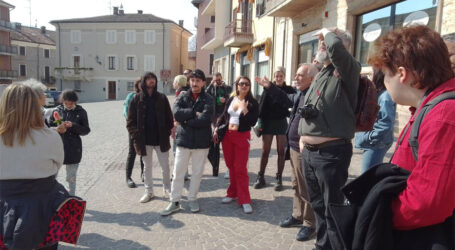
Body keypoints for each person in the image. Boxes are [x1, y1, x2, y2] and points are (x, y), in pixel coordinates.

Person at [369, 25, 455, 246]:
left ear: (401, 74)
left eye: (385, 76)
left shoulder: (443, 115)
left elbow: (427, 203)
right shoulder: (429, 108)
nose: (385, 85)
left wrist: (377, 217)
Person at [0, 84, 85, 250]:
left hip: (4, 208)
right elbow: (56, 166)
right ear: (34, 106)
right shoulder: (50, 136)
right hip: (41, 208)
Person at [299, 27, 360, 250]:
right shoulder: (322, 72)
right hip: (310, 154)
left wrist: (327, 31)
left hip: (332, 153)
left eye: (326, 42)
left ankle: (336, 246)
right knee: (317, 205)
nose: (322, 44)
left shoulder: (348, 68)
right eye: (320, 43)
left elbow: (335, 48)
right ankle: (322, 245)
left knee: (332, 207)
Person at [257, 63, 319, 241]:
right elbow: (286, 99)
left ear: (312, 78)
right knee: (295, 184)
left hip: (303, 148)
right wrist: (269, 87)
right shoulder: (300, 93)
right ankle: (298, 215)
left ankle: (309, 223)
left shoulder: (314, 95)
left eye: (301, 75)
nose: (296, 77)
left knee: (305, 186)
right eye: (296, 74)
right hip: (292, 147)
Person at [160, 69, 214, 216]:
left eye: (198, 80)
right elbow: (176, 113)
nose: (194, 83)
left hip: (201, 143)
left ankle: (192, 199)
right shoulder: (183, 96)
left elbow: (205, 119)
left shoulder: (208, 98)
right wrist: (193, 113)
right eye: (192, 80)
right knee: (178, 172)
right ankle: (175, 201)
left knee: (197, 173)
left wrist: (186, 120)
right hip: (183, 141)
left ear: (203, 82)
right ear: (189, 82)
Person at [213, 76, 259, 214]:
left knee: (240, 168)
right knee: (230, 165)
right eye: (241, 84)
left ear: (249, 86)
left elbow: (252, 122)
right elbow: (223, 115)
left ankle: (245, 199)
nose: (244, 86)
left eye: (246, 84)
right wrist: (216, 127)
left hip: (242, 136)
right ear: (237, 86)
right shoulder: (231, 99)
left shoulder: (253, 103)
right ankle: (232, 193)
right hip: (228, 136)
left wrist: (245, 110)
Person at [127, 72, 174, 203]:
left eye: (153, 78)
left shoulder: (162, 98)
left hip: (161, 140)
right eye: (148, 79)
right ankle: (149, 191)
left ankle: (167, 189)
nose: (151, 81)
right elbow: (130, 121)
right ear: (143, 82)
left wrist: (167, 132)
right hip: (144, 140)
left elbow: (169, 118)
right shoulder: (136, 99)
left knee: (165, 166)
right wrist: (135, 135)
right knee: (147, 168)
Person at [254, 66, 296, 191]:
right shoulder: (268, 88)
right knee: (265, 151)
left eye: (281, 76)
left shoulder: (289, 89)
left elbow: (294, 103)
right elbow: (261, 106)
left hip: (281, 123)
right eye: (276, 76)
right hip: (268, 122)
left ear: (284, 77)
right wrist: (260, 123)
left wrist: (290, 115)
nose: (278, 78)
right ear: (274, 77)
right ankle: (260, 176)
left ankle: (279, 178)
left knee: (281, 151)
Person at [49, 90, 90, 196]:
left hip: (73, 148)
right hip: (57, 148)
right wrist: (57, 129)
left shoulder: (81, 112)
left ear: (75, 102)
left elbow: (86, 130)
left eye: (71, 103)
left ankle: (71, 201)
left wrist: (73, 125)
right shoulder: (56, 110)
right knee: (51, 177)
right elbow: (47, 128)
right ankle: (53, 200)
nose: (68, 106)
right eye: (65, 103)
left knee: (70, 178)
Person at [355, 69, 396, 173]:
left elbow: (385, 123)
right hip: (373, 141)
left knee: (367, 175)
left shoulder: (385, 96)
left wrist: (369, 137)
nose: (370, 75)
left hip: (376, 143)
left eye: (371, 73)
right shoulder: (378, 93)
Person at [206, 72, 232, 176]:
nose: (218, 81)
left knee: (225, 139)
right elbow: (205, 94)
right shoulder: (212, 88)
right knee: (215, 141)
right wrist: (210, 84)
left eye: (219, 79)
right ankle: (215, 169)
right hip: (215, 116)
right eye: (216, 80)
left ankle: (228, 168)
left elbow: (231, 98)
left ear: (222, 78)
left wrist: (225, 100)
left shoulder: (227, 88)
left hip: (225, 115)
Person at [124, 79, 144, 188]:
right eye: (141, 83)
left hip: (145, 129)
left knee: (144, 152)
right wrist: (133, 126)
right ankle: (128, 177)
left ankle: (143, 173)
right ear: (137, 85)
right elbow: (126, 112)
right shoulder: (131, 96)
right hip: (134, 129)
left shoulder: (148, 96)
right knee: (132, 152)